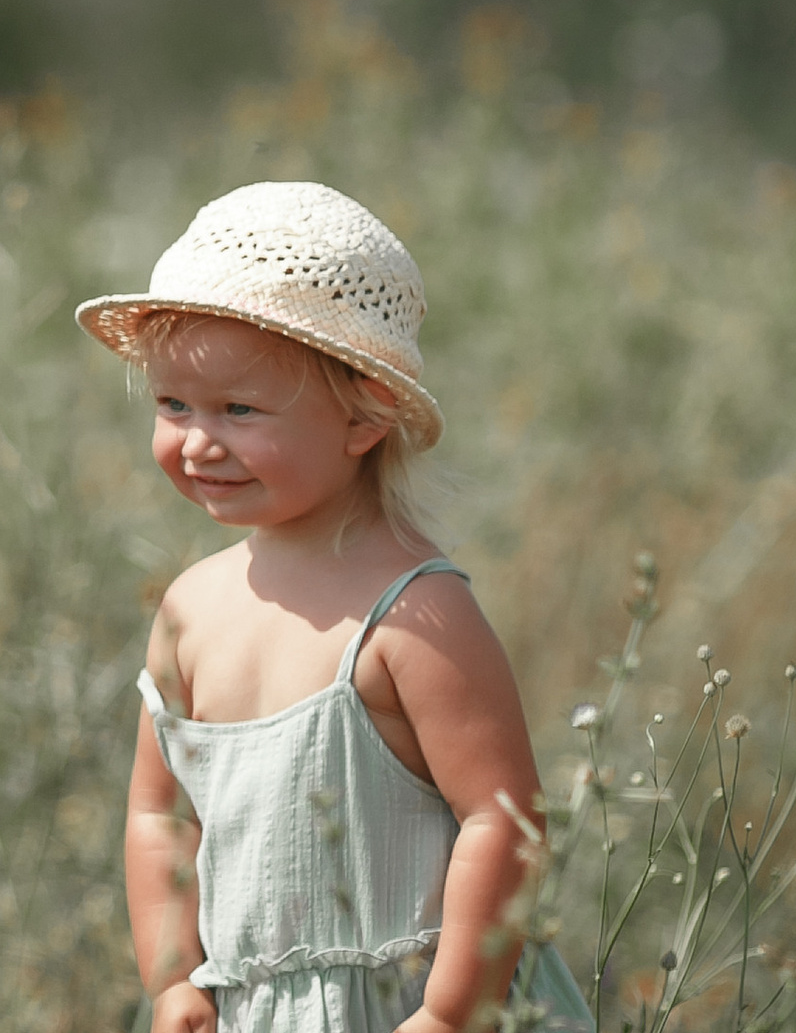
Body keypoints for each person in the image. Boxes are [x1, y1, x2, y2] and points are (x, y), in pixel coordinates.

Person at [78, 180, 594, 1033]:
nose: (198, 441)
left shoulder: (414, 614)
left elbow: (502, 822)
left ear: (365, 416)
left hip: (413, 1005)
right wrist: (173, 983)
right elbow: (159, 813)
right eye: (174, 405)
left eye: (239, 410)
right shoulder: (189, 609)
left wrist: (449, 1012)